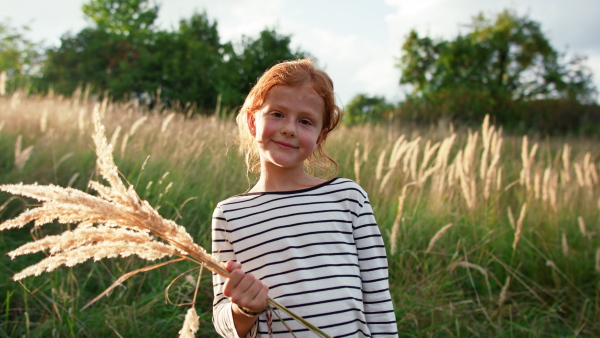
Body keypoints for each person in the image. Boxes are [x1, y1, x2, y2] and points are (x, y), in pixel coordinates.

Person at [212, 58, 398, 337]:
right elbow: (223, 323)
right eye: (277, 114)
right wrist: (244, 309)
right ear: (252, 121)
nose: (289, 128)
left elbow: (378, 297)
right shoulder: (230, 214)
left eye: (305, 121)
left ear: (320, 137)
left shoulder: (347, 199)